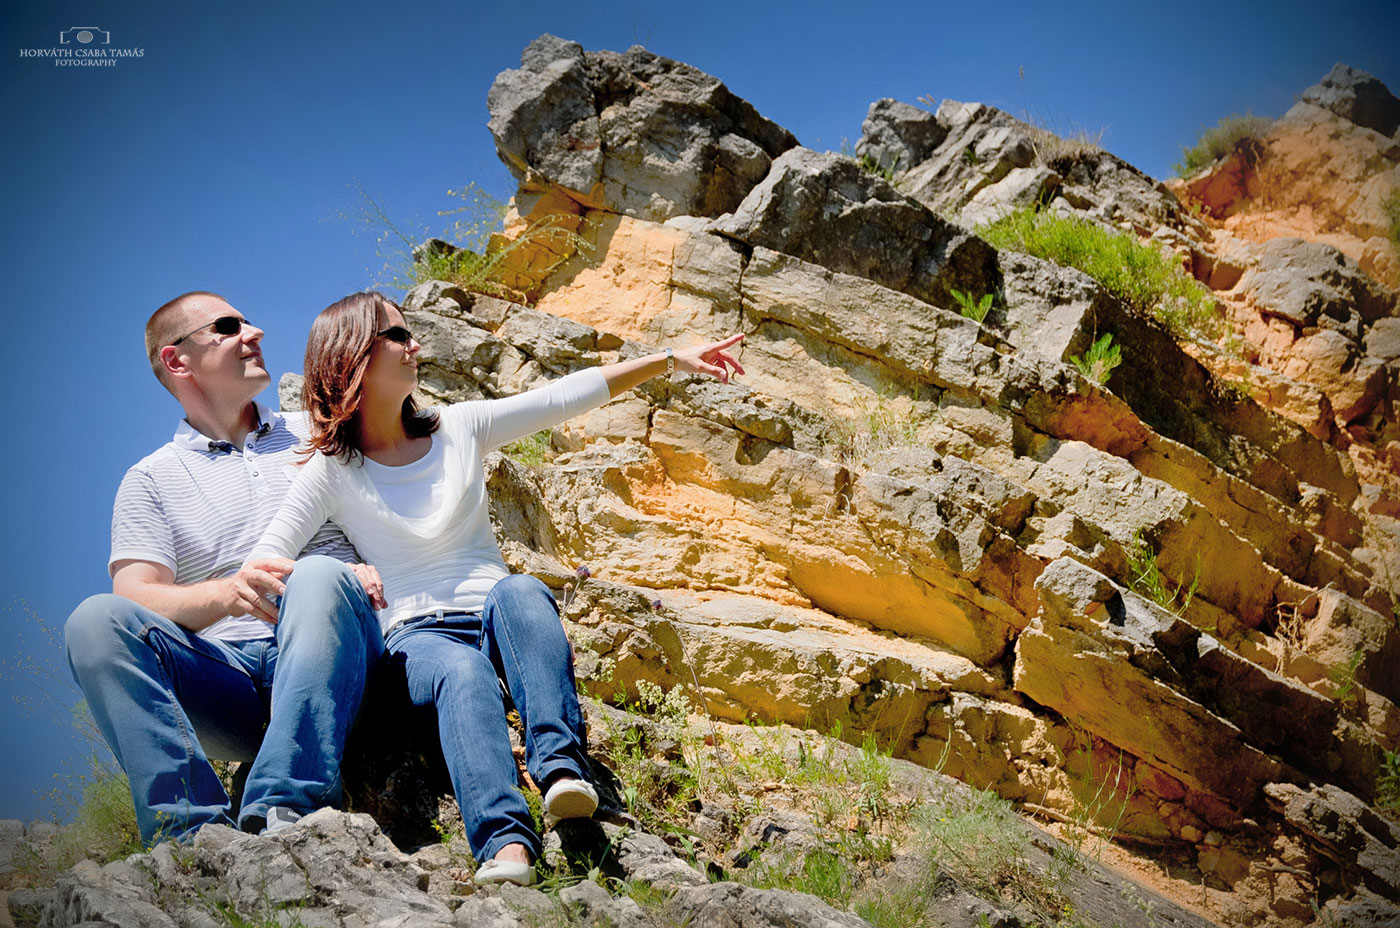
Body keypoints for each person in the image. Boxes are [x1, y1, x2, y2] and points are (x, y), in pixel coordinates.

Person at [249, 291, 743, 885]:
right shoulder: (332, 470)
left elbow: (563, 397)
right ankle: (506, 844)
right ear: (353, 353)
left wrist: (667, 359)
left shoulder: (457, 428)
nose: (415, 345)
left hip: (493, 612)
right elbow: (262, 566)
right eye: (398, 336)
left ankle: (562, 773)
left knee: (524, 590)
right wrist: (341, 573)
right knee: (463, 670)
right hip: (415, 640)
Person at [64, 291, 389, 843]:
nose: (254, 333)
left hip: (341, 659)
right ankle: (192, 838)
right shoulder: (149, 480)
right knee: (94, 621)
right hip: (226, 681)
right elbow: (134, 594)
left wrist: (358, 570)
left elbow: (403, 508)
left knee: (317, 574)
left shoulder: (321, 431)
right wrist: (227, 594)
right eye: (228, 326)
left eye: (249, 322)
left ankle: (286, 809)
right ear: (177, 360)